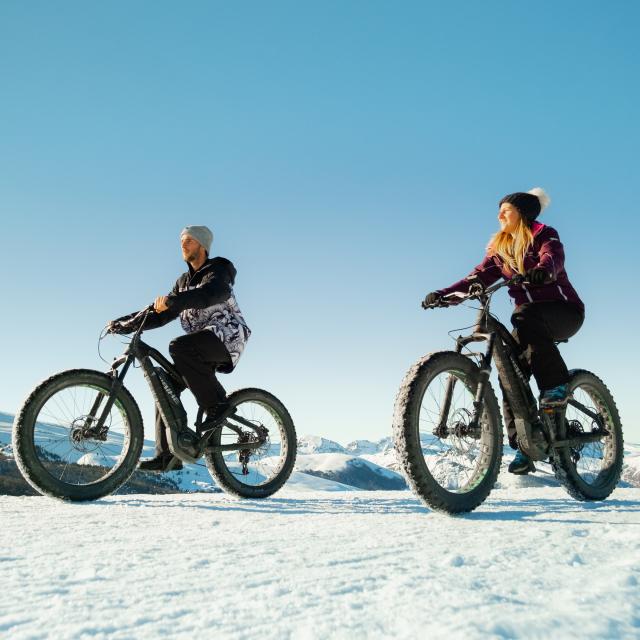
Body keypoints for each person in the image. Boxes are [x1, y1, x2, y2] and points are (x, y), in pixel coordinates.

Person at [423, 188, 584, 475]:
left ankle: (556, 386)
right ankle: (524, 445)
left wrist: (543, 272)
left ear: (522, 213)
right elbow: (477, 277)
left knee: (523, 315)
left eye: (506, 210)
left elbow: (552, 258)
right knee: (509, 370)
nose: (499, 216)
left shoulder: (545, 235)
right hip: (530, 321)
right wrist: (444, 294)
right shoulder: (501, 249)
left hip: (563, 311)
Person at [108, 225, 251, 471]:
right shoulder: (182, 282)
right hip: (199, 347)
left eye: (189, 241)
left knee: (178, 346)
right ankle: (168, 456)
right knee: (164, 386)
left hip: (227, 338)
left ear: (203, 246)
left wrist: (174, 302)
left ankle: (217, 406)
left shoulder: (218, 270)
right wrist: (124, 324)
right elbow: (161, 314)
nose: (183, 245)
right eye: (182, 241)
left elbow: (210, 294)